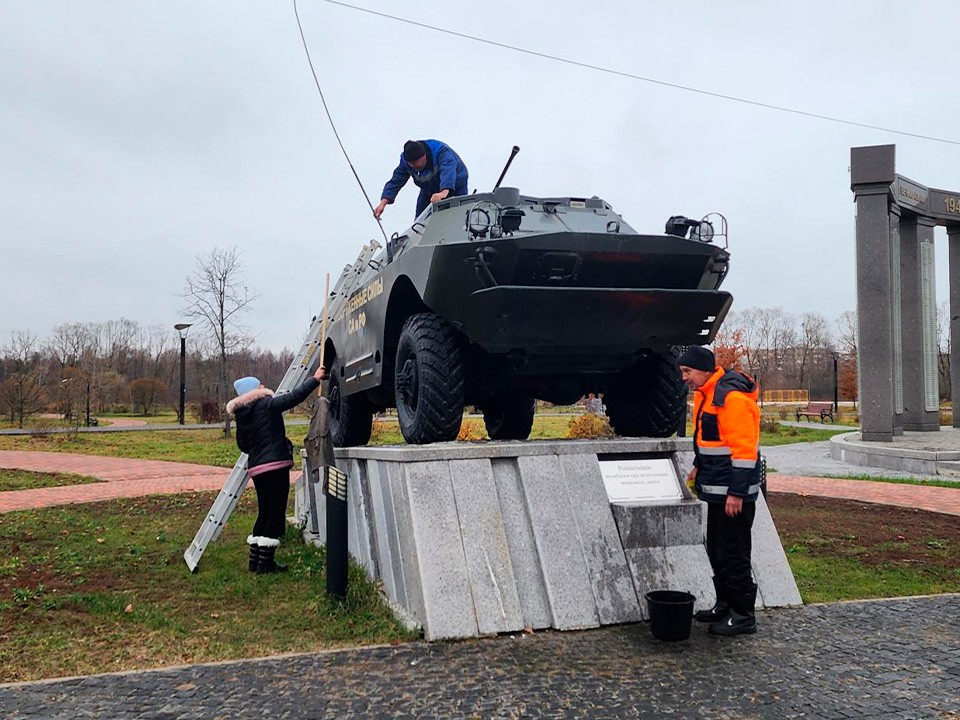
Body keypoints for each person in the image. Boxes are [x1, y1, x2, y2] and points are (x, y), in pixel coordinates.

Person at [678, 345, 762, 636]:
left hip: (732, 494)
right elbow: (712, 441)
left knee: (733, 552)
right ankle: (725, 605)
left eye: (687, 371)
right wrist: (698, 466)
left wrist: (737, 493)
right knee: (716, 548)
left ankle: (742, 615)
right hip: (718, 490)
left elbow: (744, 451)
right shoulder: (707, 395)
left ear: (704, 369)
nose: (684, 378)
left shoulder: (731, 398)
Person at [226, 364, 325, 574]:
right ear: (256, 390)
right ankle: (266, 563)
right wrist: (315, 379)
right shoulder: (266, 403)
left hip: (257, 469)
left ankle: (255, 561)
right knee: (275, 513)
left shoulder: (241, 416)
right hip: (275, 466)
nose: (264, 385)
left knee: (264, 512)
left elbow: (243, 446)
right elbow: (293, 398)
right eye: (260, 384)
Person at [373, 139, 469, 220]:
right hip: (429, 190)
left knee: (459, 218)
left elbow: (448, 171)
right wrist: (383, 203)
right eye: (410, 163)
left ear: (424, 156)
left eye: (415, 163)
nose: (413, 166)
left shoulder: (440, 152)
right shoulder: (406, 162)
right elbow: (396, 180)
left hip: (455, 186)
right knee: (420, 221)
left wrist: (443, 193)